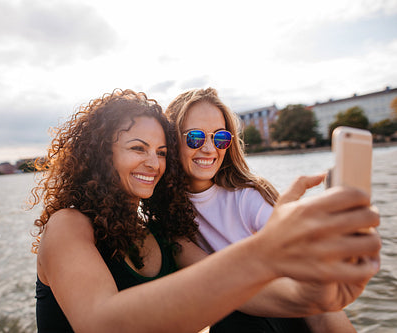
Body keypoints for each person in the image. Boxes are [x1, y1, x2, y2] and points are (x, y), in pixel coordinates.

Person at [29, 89, 380, 333]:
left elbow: (238, 290)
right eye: (138, 148)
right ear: (101, 154)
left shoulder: (157, 232)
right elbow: (101, 324)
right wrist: (265, 254)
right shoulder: (68, 225)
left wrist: (312, 297)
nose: (153, 162)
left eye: (162, 152)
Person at [165, 87, 374, 332]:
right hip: (242, 309)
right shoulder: (169, 217)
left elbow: (311, 286)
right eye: (195, 137)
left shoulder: (246, 197)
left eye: (220, 137)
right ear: (171, 141)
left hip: (290, 312)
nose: (210, 149)